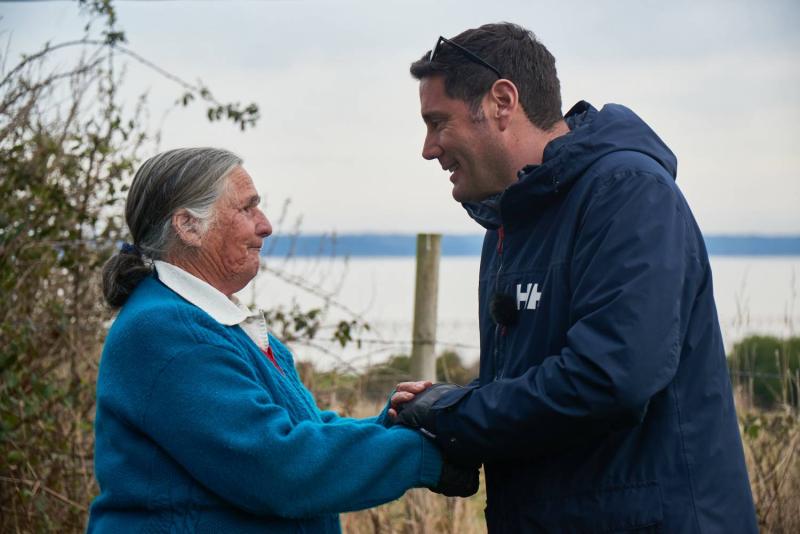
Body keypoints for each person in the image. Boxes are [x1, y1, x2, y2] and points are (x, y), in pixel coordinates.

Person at [390, 22, 758, 532]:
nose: (428, 149)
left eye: (438, 122)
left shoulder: (626, 194)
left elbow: (610, 377)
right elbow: (533, 386)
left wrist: (454, 415)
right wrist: (450, 425)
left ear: (501, 101)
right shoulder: (509, 220)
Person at [88, 148, 477, 533]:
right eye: (247, 208)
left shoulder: (211, 321)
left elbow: (296, 429)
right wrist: (420, 455)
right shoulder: (166, 333)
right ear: (188, 226)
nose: (266, 225)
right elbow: (278, 469)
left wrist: (388, 426)